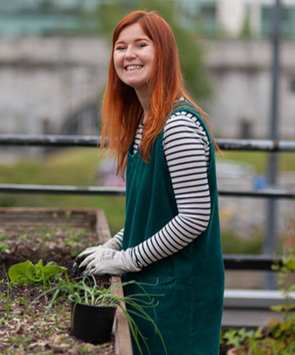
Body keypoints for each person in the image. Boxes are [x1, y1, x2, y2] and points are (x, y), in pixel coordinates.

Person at [75, 10, 224, 355]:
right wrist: (113, 245)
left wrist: (127, 259)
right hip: (155, 285)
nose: (129, 55)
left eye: (142, 45)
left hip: (179, 290)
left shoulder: (178, 126)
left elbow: (194, 217)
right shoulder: (146, 122)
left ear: (165, 54)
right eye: (121, 46)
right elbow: (154, 211)